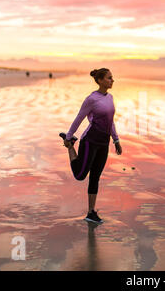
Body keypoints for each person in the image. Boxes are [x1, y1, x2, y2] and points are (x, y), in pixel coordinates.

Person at [60, 68, 122, 224]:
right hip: (90, 141)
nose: (112, 80)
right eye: (109, 78)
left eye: (112, 77)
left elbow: (110, 121)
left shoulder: (110, 97)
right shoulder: (91, 99)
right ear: (100, 80)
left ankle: (91, 212)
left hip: (103, 143)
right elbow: (79, 118)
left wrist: (116, 140)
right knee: (80, 175)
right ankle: (70, 146)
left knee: (95, 177)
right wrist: (68, 137)